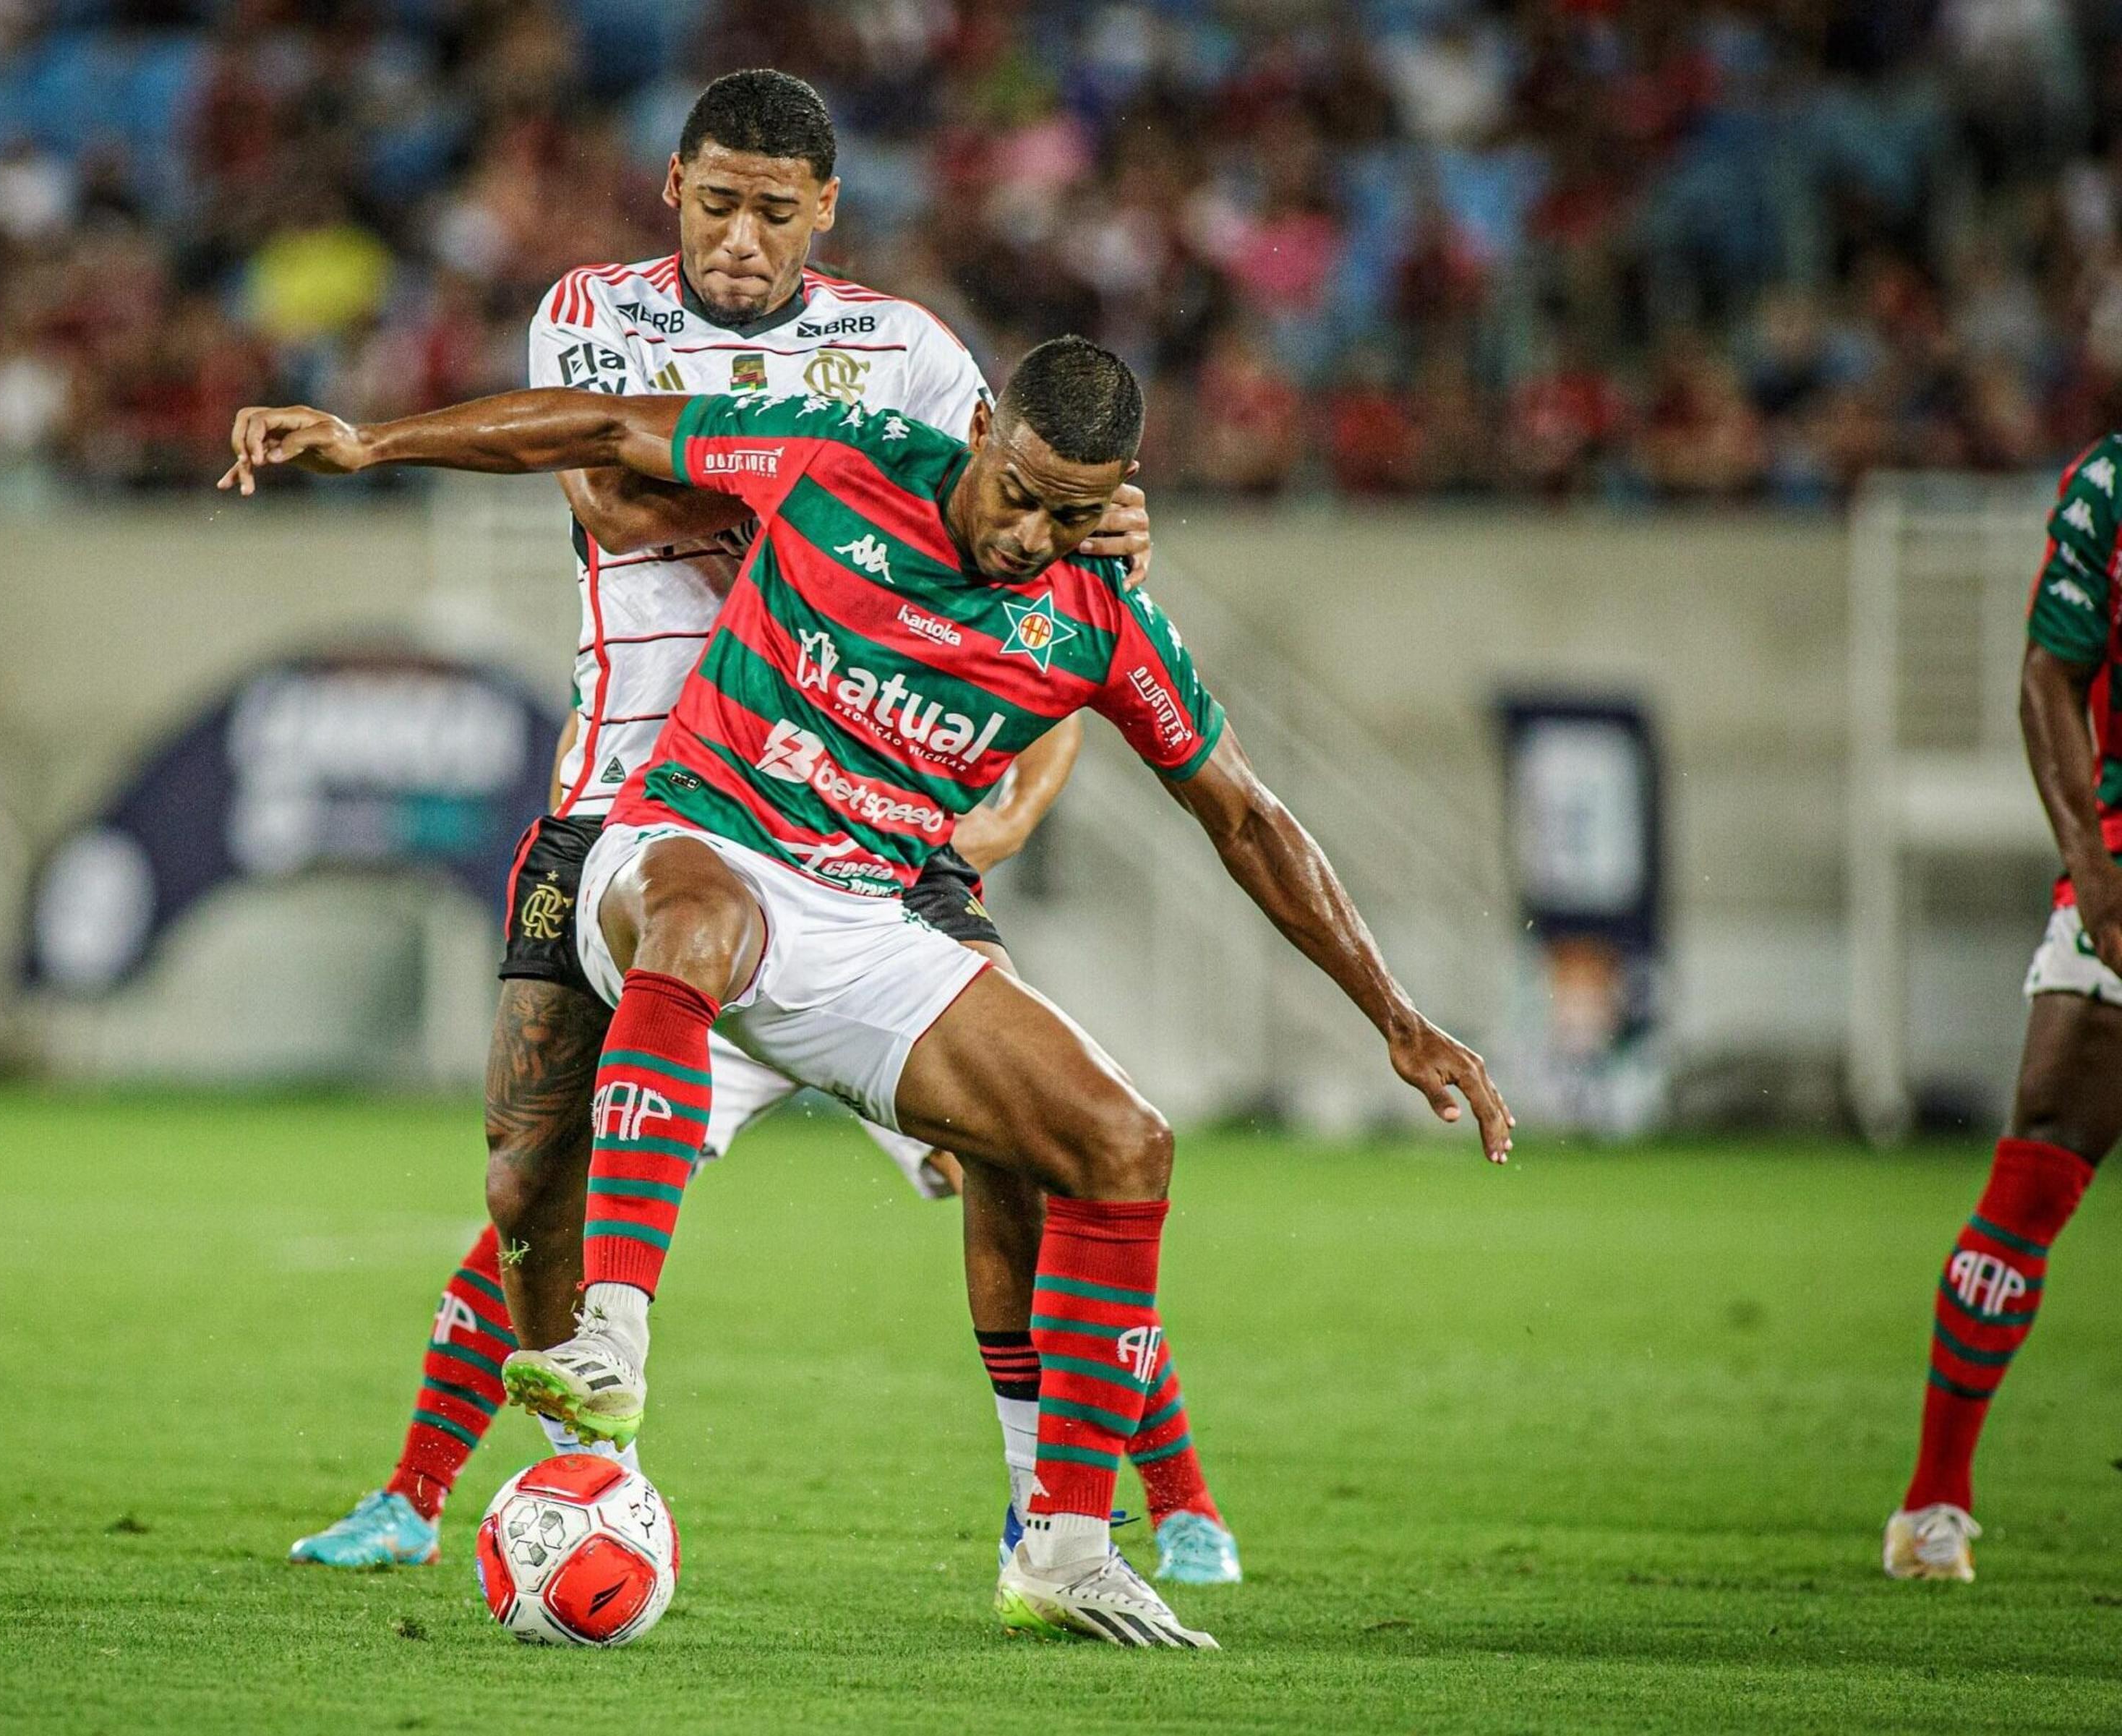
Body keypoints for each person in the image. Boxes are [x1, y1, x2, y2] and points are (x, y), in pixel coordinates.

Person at [219, 336, 1512, 1647]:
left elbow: (1245, 815)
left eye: (1077, 513)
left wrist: (1396, 1017)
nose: (1034, 535)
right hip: (684, 851)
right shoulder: (842, 462)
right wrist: (374, 443)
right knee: (580, 1103)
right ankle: (608, 1338)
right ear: (984, 432)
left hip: (870, 920)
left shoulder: (1100, 616)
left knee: (1120, 1143)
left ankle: (1064, 1543)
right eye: (1021, 492)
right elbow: (612, 430)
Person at [282, 70, 1239, 1588]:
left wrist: (1023, 756)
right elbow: (612, 494)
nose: (740, 238)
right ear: (673, 187)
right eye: (716, 202)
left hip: (864, 813)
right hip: (632, 796)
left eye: (773, 212)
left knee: (1028, 1154)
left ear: (826, 213)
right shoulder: (594, 308)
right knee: (539, 1183)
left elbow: (1029, 563)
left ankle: (1142, 1506)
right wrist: (832, 508)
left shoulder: (914, 352)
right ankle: (431, 1493)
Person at [1884, 435, 2122, 1581]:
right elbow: (2049, 675)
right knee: (2034, 1172)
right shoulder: (2112, 485)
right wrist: (2094, 868)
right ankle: (1934, 1500)